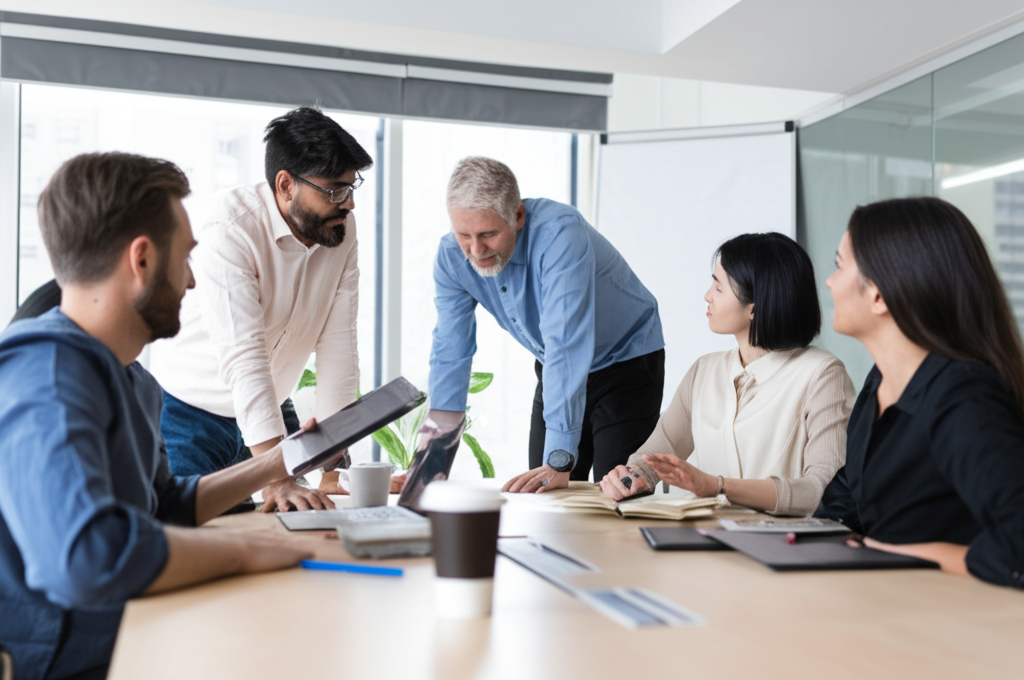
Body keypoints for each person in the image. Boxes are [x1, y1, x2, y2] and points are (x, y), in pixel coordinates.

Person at [0, 152, 321, 680]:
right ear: (142, 260)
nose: (192, 281)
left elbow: (161, 508)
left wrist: (277, 463)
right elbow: (85, 559)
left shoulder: (131, 379)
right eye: (186, 257)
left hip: (135, 632)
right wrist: (244, 555)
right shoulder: (47, 373)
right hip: (64, 662)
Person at [150, 106, 372, 512]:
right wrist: (277, 475)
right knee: (189, 533)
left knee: (288, 522)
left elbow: (339, 347)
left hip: (270, 406)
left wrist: (332, 466)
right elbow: (245, 358)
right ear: (286, 185)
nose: (349, 203)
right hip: (190, 417)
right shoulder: (230, 229)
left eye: (352, 186)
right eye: (335, 189)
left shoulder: (338, 230)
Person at [815, 197, 1024, 587]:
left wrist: (920, 554)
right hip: (887, 604)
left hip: (952, 623)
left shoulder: (965, 401)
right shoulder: (881, 381)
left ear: (879, 294)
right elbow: (844, 505)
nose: (829, 281)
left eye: (839, 265)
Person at [426, 156, 665, 493]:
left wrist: (559, 461)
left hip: (625, 363)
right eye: (463, 234)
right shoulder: (452, 256)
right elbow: (450, 353)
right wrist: (429, 466)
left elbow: (565, 340)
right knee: (543, 495)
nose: (476, 250)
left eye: (488, 234)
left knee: (617, 496)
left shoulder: (559, 233)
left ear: (518, 216)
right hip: (555, 365)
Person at [600, 233, 855, 516]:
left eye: (719, 288)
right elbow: (655, 457)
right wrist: (632, 477)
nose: (707, 295)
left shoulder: (822, 374)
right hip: (704, 541)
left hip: (780, 549)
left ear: (754, 308)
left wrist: (717, 486)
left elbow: (820, 490)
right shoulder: (703, 371)